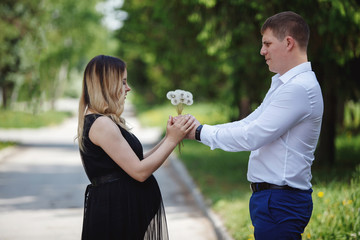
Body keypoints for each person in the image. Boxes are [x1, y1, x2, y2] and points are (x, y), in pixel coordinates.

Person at [185, 11, 324, 239]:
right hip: (272, 200)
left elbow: (253, 136)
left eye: (267, 43)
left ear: (288, 42)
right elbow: (249, 122)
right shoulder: (283, 84)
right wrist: (201, 128)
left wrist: (200, 133)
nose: (262, 51)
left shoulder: (298, 88)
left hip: (281, 201)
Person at [76, 55, 196, 240]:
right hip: (116, 214)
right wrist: (172, 140)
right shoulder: (101, 124)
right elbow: (139, 172)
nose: (128, 88)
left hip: (122, 211)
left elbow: (135, 161)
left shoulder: (103, 120)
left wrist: (169, 137)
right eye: (123, 82)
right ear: (107, 84)